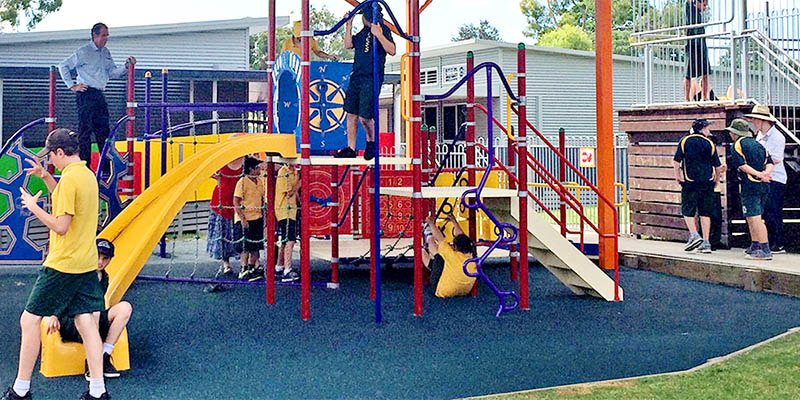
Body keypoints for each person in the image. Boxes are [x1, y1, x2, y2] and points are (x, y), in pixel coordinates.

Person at [3, 129, 109, 400]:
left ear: (60, 152)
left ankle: (21, 389)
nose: (50, 160)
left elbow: (61, 226)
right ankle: (98, 391)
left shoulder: (71, 180)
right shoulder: (85, 175)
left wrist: (33, 207)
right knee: (86, 322)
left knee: (29, 320)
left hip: (63, 264)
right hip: (85, 262)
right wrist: (46, 177)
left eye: (51, 156)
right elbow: (67, 197)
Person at [45, 239, 132, 380]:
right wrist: (55, 315)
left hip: (93, 320)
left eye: (105, 258)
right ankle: (93, 361)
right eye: (97, 256)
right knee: (93, 311)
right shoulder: (78, 272)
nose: (100, 262)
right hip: (74, 322)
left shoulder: (104, 276)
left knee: (125, 307)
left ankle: (104, 355)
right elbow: (62, 295)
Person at [58, 23, 136, 174]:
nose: (105, 38)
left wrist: (125, 67)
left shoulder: (106, 52)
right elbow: (63, 66)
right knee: (85, 130)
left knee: (103, 130)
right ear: (94, 35)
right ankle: (85, 167)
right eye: (103, 35)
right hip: (86, 92)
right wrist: (71, 85)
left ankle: (106, 167)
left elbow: (112, 72)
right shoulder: (84, 51)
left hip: (99, 93)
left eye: (107, 35)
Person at [333, 5, 396, 160]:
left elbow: (392, 50)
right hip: (357, 75)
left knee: (365, 116)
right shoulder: (363, 32)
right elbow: (348, 45)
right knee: (351, 113)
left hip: (371, 76)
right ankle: (351, 148)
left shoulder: (383, 30)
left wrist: (379, 35)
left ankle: (372, 142)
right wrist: (348, 24)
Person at [673, 118, 724, 253]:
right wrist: (717, 180)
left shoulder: (684, 141)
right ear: (702, 129)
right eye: (707, 128)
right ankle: (706, 242)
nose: (709, 131)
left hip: (690, 181)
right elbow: (717, 166)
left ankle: (694, 234)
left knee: (687, 209)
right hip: (707, 182)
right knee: (705, 211)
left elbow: (676, 161)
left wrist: (678, 175)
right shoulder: (709, 144)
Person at [726, 118, 774, 260]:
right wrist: (766, 173)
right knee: (751, 216)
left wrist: (758, 174)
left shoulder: (737, 145)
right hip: (764, 185)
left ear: (735, 133)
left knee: (755, 218)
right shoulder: (758, 144)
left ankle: (765, 249)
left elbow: (741, 165)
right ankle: (755, 245)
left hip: (750, 185)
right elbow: (769, 161)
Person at [748, 105, 787, 254]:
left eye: (754, 120)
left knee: (773, 211)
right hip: (764, 177)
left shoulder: (777, 137)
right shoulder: (759, 136)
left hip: (775, 178)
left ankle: (777, 243)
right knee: (764, 211)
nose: (753, 123)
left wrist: (757, 163)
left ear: (762, 120)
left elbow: (776, 159)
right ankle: (767, 241)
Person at [422, 213, 478, 298]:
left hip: (442, 292)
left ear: (456, 247)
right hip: (465, 291)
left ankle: (428, 236)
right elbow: (462, 237)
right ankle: (429, 237)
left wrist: (431, 223)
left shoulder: (451, 254)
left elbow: (439, 238)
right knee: (441, 256)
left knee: (436, 255)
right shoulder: (473, 254)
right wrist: (454, 221)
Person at [206, 158, 245, 276]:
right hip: (221, 202)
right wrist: (217, 177)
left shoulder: (245, 161)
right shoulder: (222, 159)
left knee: (240, 233)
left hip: (238, 203)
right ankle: (225, 263)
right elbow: (206, 168)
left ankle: (244, 263)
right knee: (222, 234)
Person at [233, 156, 266, 281]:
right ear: (251, 170)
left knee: (256, 246)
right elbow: (236, 201)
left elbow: (263, 199)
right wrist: (242, 219)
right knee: (245, 246)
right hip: (246, 218)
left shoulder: (260, 181)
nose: (259, 170)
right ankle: (243, 269)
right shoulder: (242, 182)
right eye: (257, 168)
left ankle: (252, 268)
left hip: (257, 217)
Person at [274, 163, 301, 282]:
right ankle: (287, 269)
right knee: (290, 239)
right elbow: (290, 192)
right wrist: (300, 183)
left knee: (285, 240)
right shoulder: (283, 172)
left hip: (292, 210)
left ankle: (279, 266)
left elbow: (295, 194)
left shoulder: (294, 171)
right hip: (285, 210)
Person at [683, 0, 711, 102]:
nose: (705, 8)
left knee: (705, 71)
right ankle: (687, 99)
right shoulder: (690, 7)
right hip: (691, 43)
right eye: (703, 5)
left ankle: (704, 97)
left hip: (701, 43)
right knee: (688, 72)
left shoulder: (699, 15)